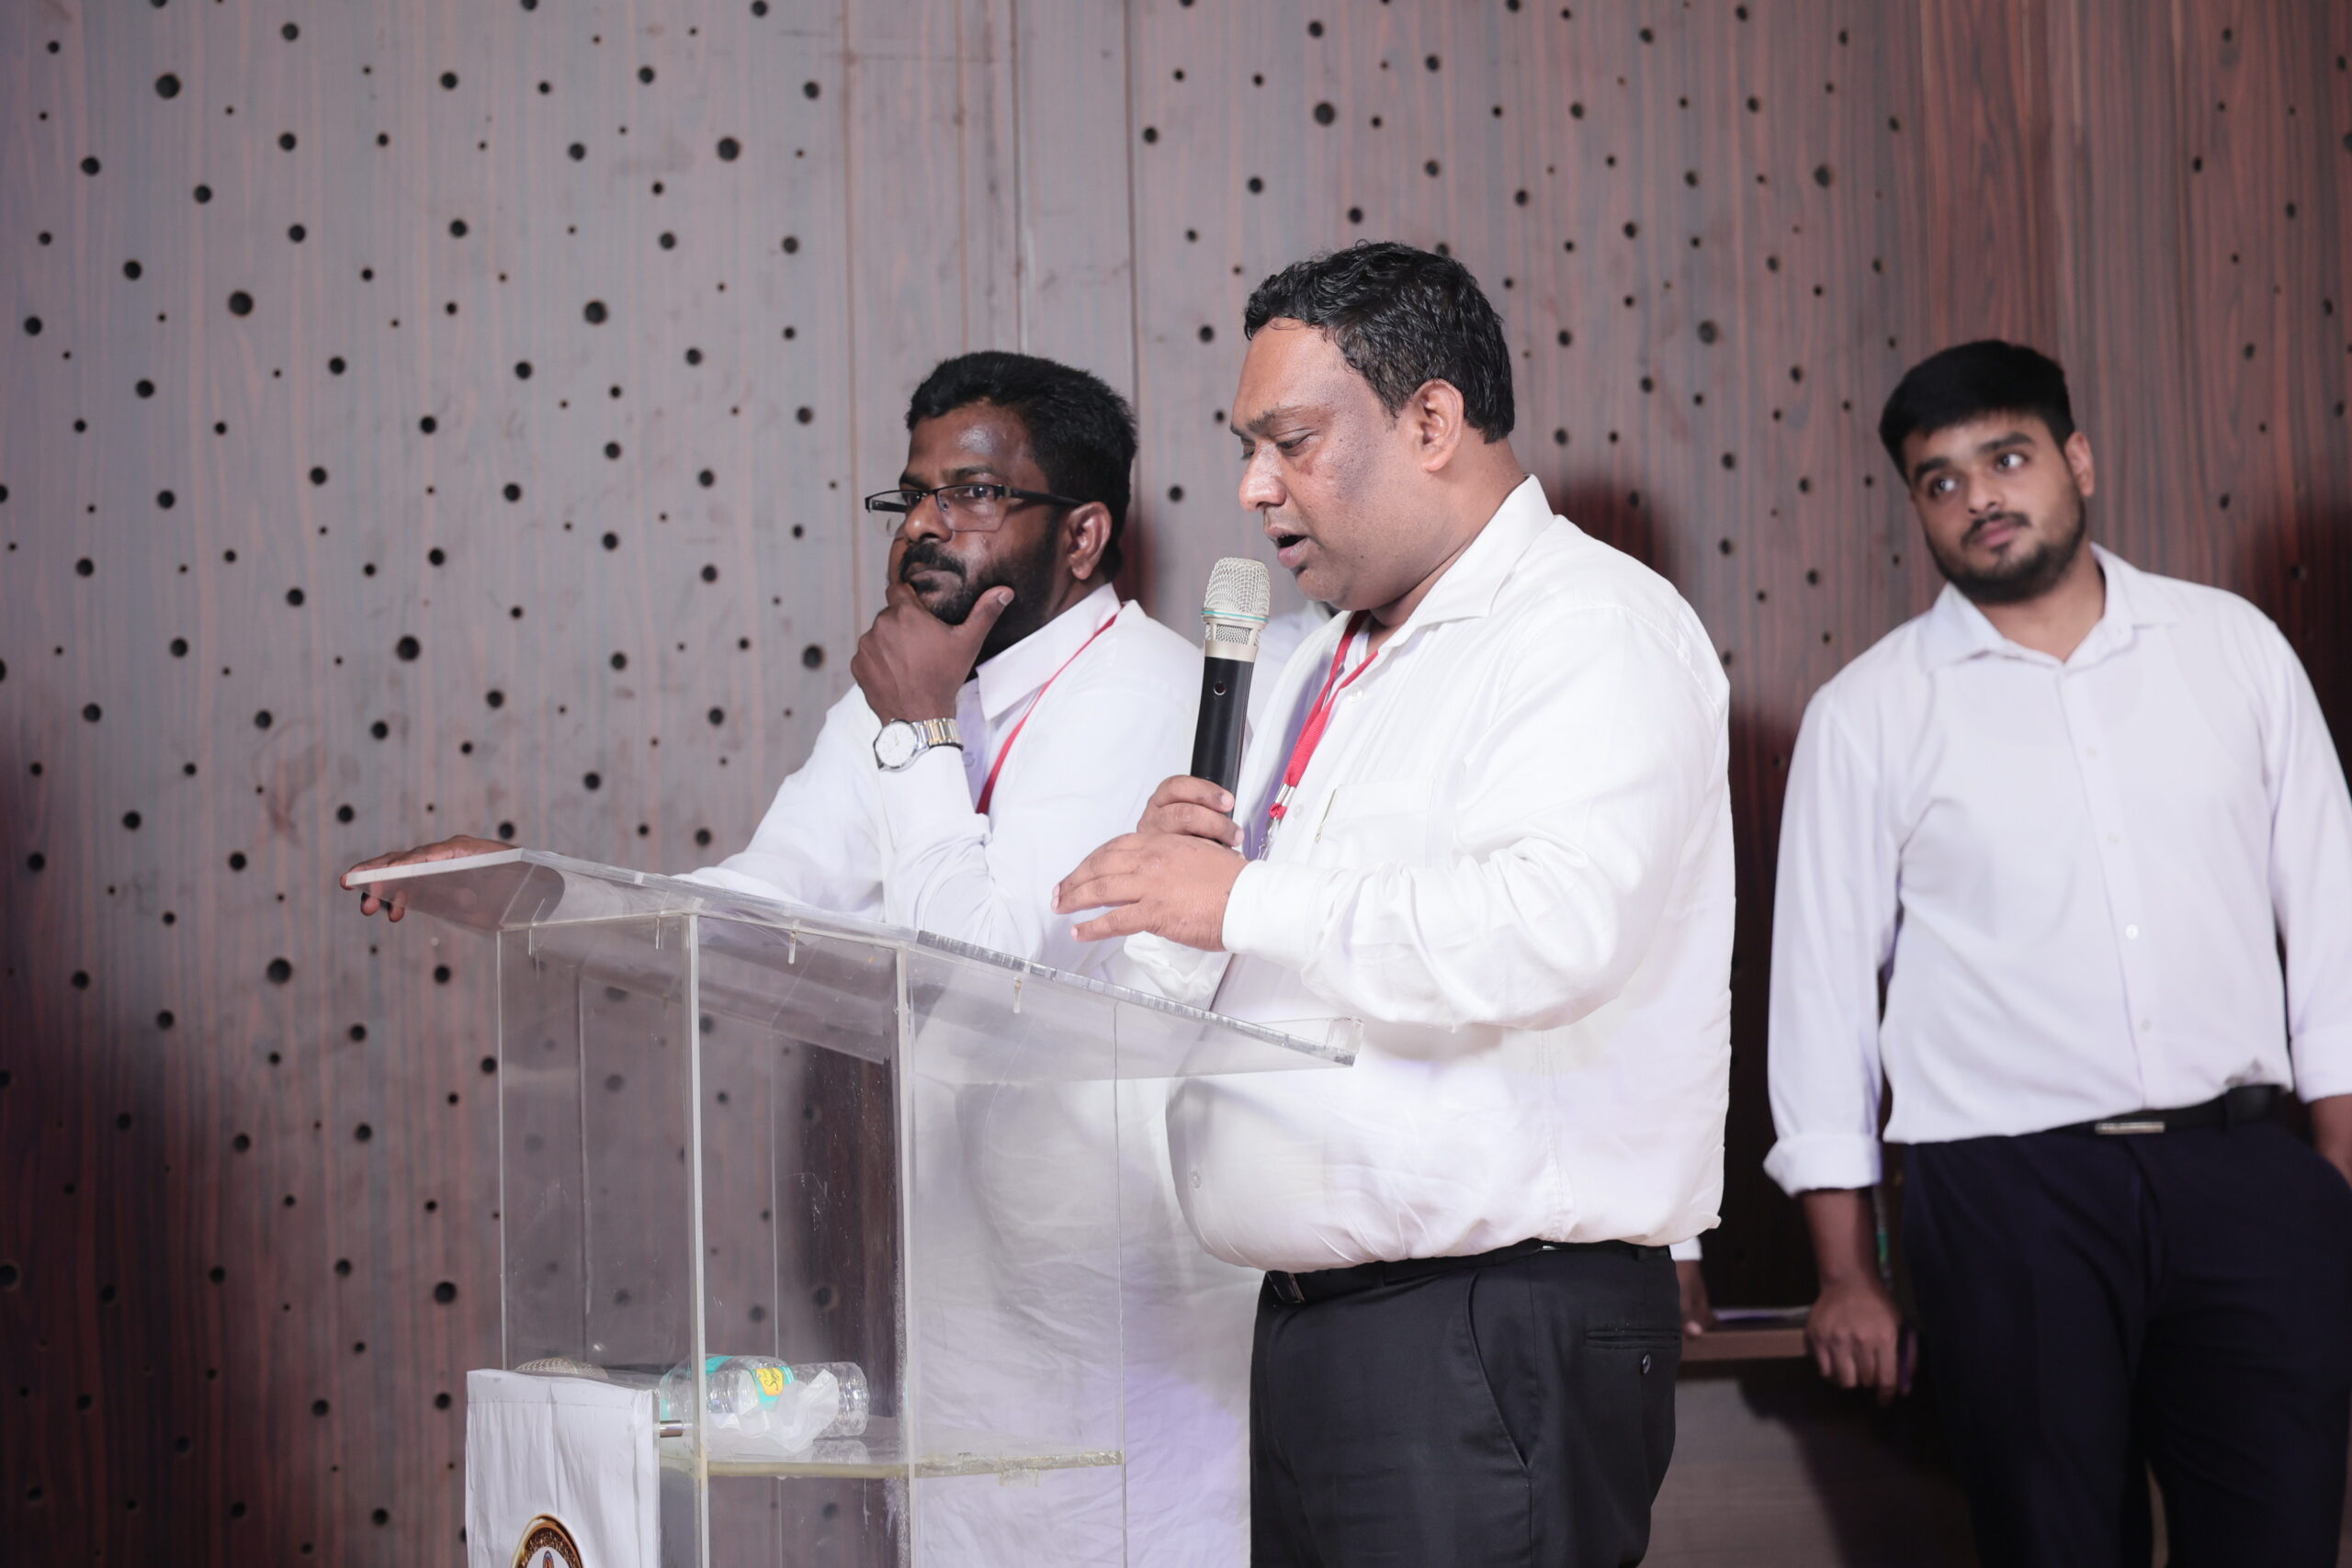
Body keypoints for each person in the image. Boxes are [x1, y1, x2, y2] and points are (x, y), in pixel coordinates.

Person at [343, 350, 1260, 1565]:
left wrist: (919, 729)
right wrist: (528, 882)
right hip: (959, 1331)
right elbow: (759, 905)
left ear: (1083, 536)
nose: (926, 526)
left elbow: (989, 980)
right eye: (913, 494)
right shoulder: (910, 695)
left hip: (1129, 1346)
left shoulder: (1154, 698)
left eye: (974, 494)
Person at [1055, 241, 1734, 1568]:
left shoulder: (1587, 625)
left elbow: (1548, 929)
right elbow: (1270, 963)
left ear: (1431, 421)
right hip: (1322, 1327)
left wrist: (1243, 900)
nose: (1254, 488)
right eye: (1248, 449)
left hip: (1485, 1325)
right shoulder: (1326, 661)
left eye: (1292, 443)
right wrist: (1178, 904)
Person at [1766, 339, 2352, 1566]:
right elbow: (1820, 1000)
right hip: (2005, 1198)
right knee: (2050, 1548)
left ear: (2076, 459)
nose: (1979, 498)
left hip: (2248, 1173)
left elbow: (2332, 913)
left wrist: (2335, 1175)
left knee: (2280, 1540)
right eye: (1940, 481)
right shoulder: (1868, 714)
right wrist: (1848, 1274)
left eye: (2008, 458)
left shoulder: (2232, 648)